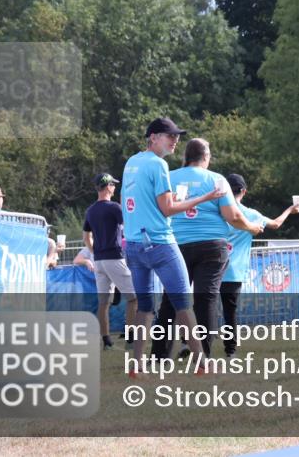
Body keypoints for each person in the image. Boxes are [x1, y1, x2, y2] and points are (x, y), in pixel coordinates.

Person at [120, 117, 225, 376]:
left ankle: (137, 365)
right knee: (183, 304)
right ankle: (202, 363)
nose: (175, 139)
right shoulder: (159, 164)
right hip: (160, 243)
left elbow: (142, 201)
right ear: (153, 137)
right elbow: (167, 208)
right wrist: (205, 197)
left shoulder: (132, 162)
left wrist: (170, 203)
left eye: (177, 135)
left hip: (134, 244)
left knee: (145, 306)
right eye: (170, 135)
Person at [150, 138, 267, 360]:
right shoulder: (217, 180)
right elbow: (232, 216)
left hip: (176, 245)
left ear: (186, 156)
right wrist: (251, 227)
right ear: (206, 157)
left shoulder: (169, 178)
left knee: (171, 300)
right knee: (206, 298)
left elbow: (158, 210)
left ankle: (159, 356)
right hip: (212, 246)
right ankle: (203, 356)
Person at [220, 173, 299, 357]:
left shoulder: (217, 210)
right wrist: (290, 209)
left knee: (202, 307)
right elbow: (275, 224)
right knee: (229, 312)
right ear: (244, 191)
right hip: (233, 271)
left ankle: (191, 344)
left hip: (210, 268)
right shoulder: (251, 214)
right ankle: (230, 351)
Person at [84, 172, 137, 351]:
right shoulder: (115, 208)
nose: (114, 187)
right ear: (107, 187)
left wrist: (94, 252)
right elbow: (128, 229)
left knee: (103, 303)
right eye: (113, 185)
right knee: (133, 298)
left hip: (99, 260)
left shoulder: (90, 210)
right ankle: (130, 339)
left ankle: (106, 341)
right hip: (114, 257)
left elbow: (86, 237)